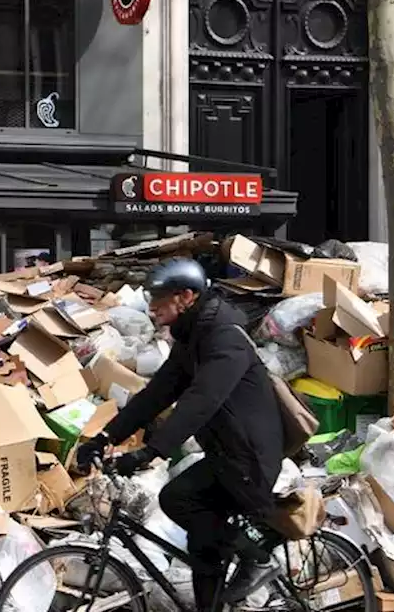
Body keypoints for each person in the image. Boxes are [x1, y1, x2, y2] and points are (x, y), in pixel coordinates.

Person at [76, 257, 286, 609]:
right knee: (191, 523)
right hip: (225, 455)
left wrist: (150, 452)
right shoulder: (193, 338)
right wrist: (103, 438)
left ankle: (259, 555)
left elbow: (200, 402)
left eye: (159, 296)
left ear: (186, 297)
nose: (151, 305)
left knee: (199, 526)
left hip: (251, 458)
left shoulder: (224, 339)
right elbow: (156, 395)